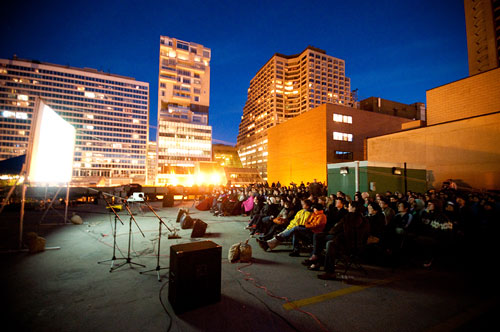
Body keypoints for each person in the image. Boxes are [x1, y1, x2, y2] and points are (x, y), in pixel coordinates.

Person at [317, 201, 369, 280]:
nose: (348, 208)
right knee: (328, 240)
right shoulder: (365, 219)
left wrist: (330, 232)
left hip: (347, 245)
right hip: (359, 246)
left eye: (349, 206)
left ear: (354, 208)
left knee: (328, 243)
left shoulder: (348, 217)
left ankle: (328, 270)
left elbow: (337, 228)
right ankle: (320, 261)